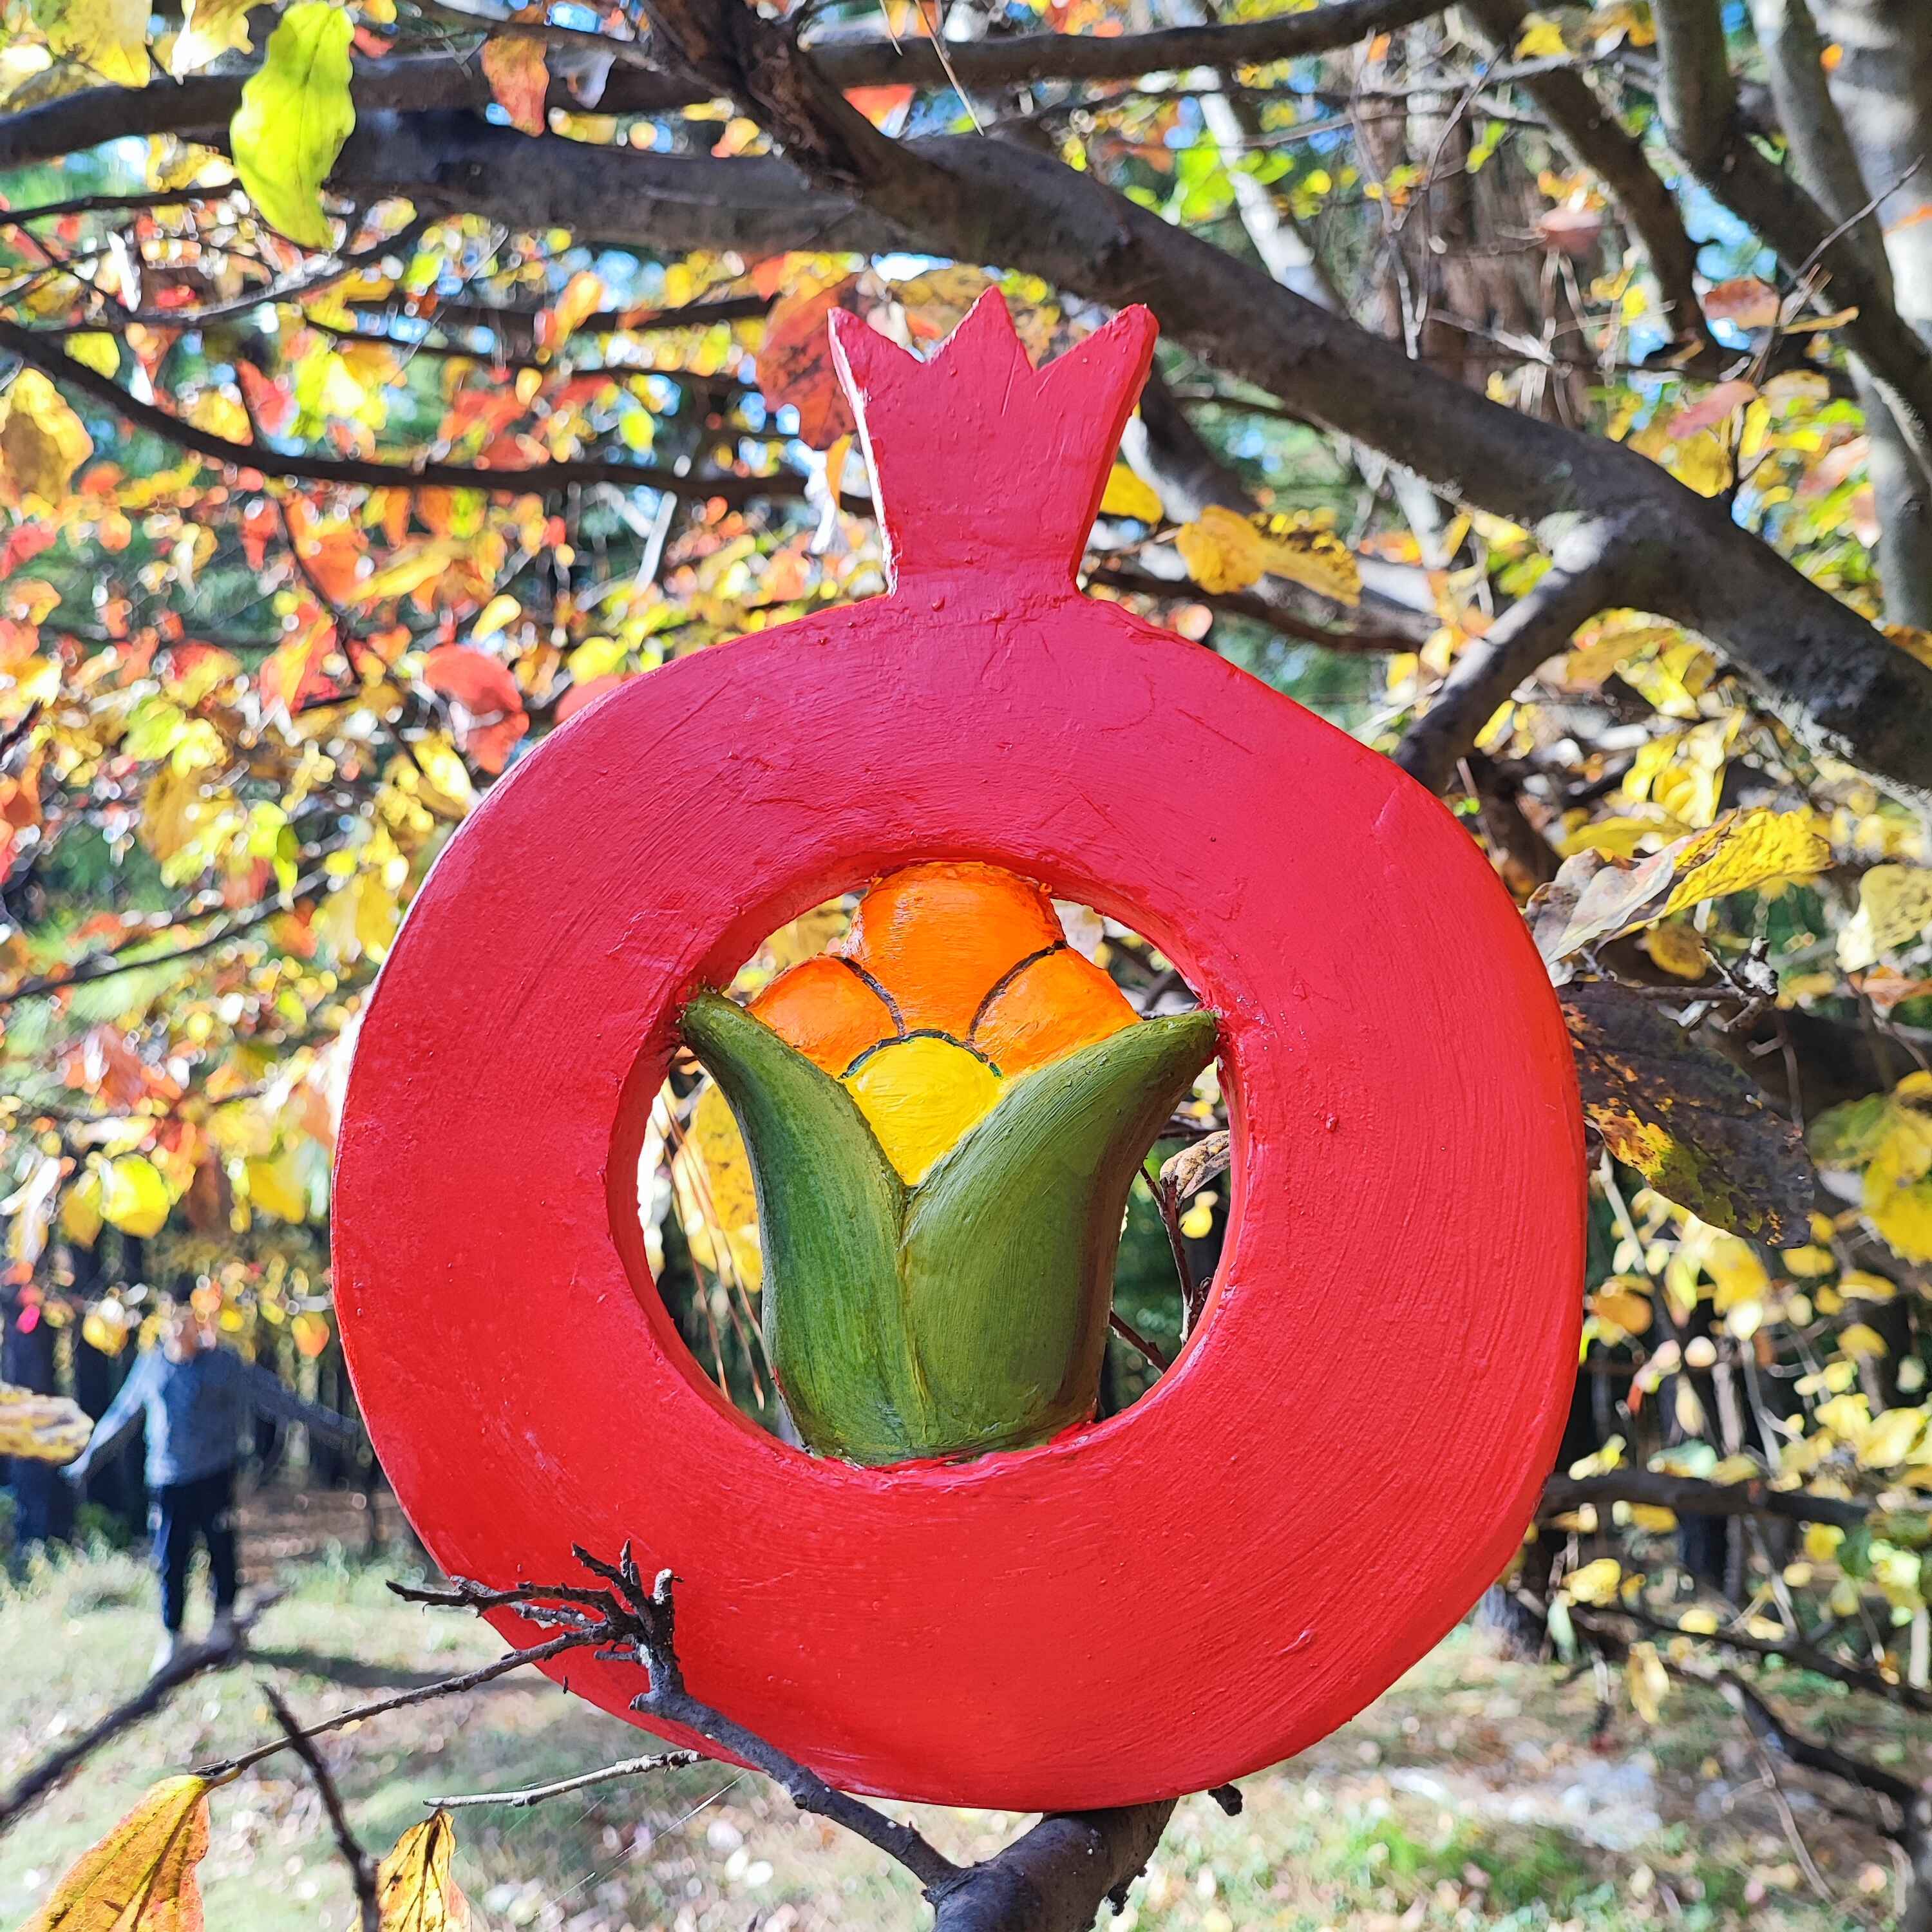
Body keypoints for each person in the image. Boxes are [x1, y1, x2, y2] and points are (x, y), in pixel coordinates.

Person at [64, 1291, 359, 1673]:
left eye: (186, 1320)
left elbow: (277, 1398)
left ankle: (223, 1627)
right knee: (171, 1558)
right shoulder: (152, 1366)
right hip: (168, 1481)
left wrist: (336, 1430)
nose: (178, 1328)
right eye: (172, 1320)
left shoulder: (223, 1363)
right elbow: (121, 1416)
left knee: (221, 1550)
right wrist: (86, 1460)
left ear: (198, 1322)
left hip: (214, 1477)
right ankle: (173, 1637)